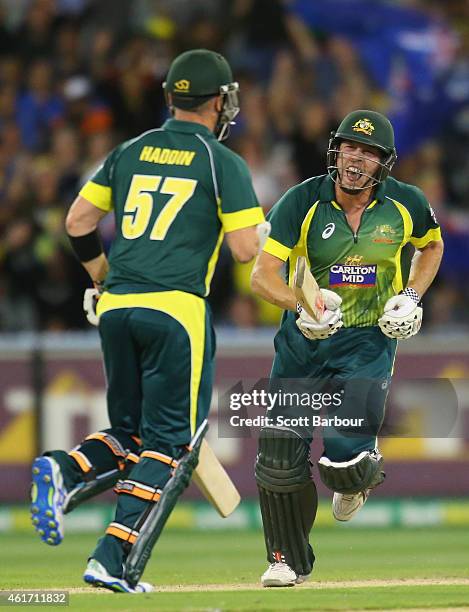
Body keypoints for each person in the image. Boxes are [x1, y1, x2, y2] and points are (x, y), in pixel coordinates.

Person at [30, 49, 265, 593]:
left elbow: (78, 221)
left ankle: (65, 471)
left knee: (131, 435)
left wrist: (100, 276)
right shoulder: (219, 160)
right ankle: (113, 560)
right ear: (218, 101)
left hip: (117, 307)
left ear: (170, 96)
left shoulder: (130, 150)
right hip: (176, 310)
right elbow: (246, 249)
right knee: (172, 446)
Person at [251, 109, 443, 587]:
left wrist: (411, 295)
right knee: (278, 456)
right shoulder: (302, 202)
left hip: (367, 343)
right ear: (336, 151)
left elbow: (432, 246)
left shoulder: (407, 204)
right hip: (303, 344)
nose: (357, 160)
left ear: (384, 164)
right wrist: (302, 307)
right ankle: (285, 559)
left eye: (369, 153)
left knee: (344, 464)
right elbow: (262, 276)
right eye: (350, 149)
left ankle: (359, 473)